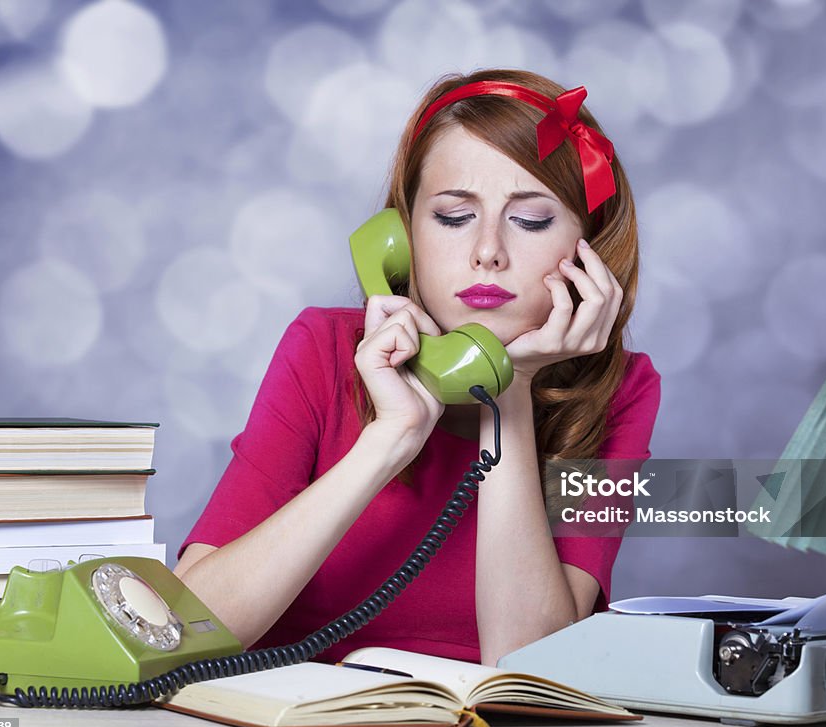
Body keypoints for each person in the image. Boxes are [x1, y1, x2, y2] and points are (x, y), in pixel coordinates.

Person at [173, 68, 661, 667]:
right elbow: (185, 631)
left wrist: (509, 395)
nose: (488, 251)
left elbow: (530, 666)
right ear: (400, 239)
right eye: (454, 217)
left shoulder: (620, 390)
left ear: (591, 248)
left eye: (530, 220)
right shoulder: (322, 348)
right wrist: (389, 439)